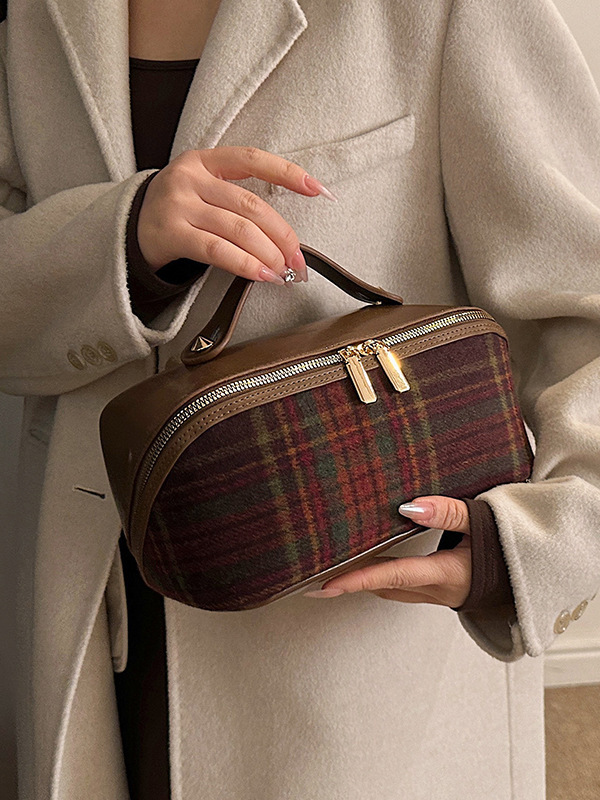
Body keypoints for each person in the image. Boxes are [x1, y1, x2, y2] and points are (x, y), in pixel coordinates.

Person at [1, 0, 599, 798]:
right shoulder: (29, 20)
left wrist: (523, 552)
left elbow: (584, 299)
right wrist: (122, 238)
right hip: (88, 626)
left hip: (354, 668)